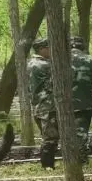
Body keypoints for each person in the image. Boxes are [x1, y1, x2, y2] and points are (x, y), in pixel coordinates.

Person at [27, 38, 58, 170]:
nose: (51, 50)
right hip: (47, 105)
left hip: (40, 106)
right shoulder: (43, 65)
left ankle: (47, 164)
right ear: (41, 49)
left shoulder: (32, 63)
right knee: (50, 137)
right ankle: (47, 165)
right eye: (48, 48)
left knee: (49, 136)